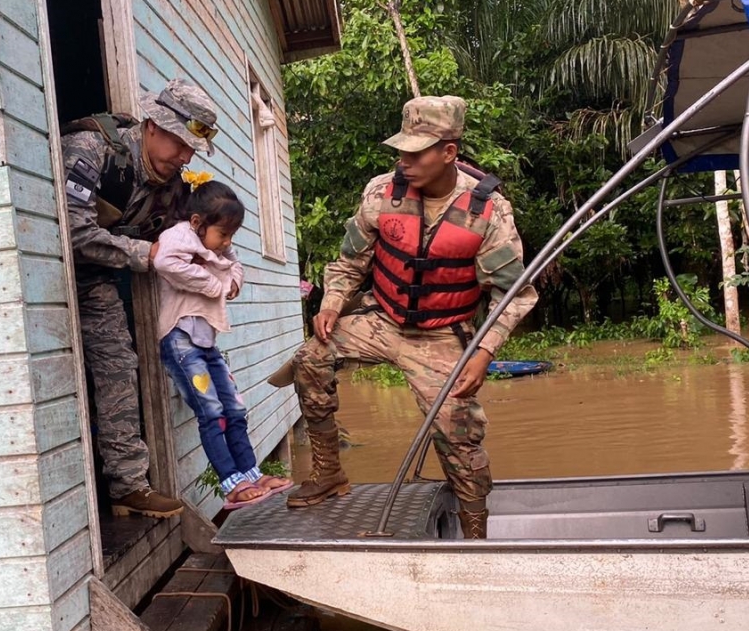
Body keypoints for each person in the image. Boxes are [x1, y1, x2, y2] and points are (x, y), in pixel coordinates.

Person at [285, 95, 539, 539]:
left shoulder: (488, 212)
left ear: (449, 152)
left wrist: (483, 352)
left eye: (416, 153)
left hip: (442, 334)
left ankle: (475, 533)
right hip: (382, 319)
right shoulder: (381, 193)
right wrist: (332, 302)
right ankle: (328, 473)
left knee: (458, 433)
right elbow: (350, 262)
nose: (404, 161)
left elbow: (514, 294)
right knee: (310, 358)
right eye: (401, 150)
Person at [60, 78, 220, 518]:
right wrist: (146, 254)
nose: (185, 157)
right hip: (47, 273)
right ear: (152, 125)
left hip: (95, 279)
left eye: (192, 149)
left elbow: (191, 236)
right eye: (180, 143)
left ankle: (128, 486)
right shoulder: (91, 149)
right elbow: (71, 232)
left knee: (118, 364)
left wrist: (215, 262)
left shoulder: (172, 186)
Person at [153, 180, 295, 507]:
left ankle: (251, 473)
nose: (227, 242)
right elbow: (164, 262)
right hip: (180, 340)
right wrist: (214, 284)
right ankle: (231, 482)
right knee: (211, 412)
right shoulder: (180, 236)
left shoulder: (218, 246)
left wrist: (231, 282)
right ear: (197, 222)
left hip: (206, 344)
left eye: (232, 235)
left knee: (234, 407)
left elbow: (235, 265)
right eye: (223, 234)